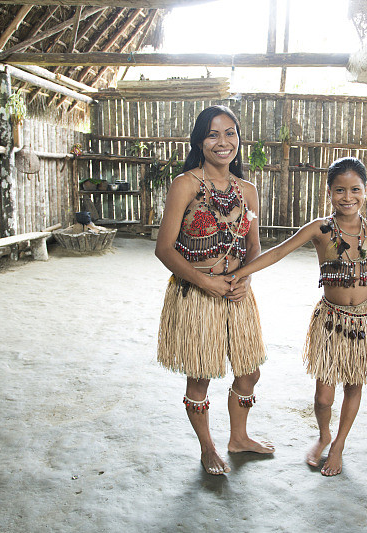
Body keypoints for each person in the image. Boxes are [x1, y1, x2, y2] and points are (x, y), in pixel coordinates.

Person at [227, 156, 367, 476]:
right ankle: (324, 435)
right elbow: (279, 252)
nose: (348, 197)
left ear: (366, 191)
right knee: (323, 398)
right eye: (340, 190)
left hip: (365, 322)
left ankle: (338, 445)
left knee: (354, 386)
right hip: (331, 323)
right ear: (328, 192)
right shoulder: (321, 229)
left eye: (355, 189)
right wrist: (240, 273)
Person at [155, 105, 274, 475]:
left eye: (230, 133)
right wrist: (206, 282)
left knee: (249, 373)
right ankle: (207, 448)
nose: (223, 142)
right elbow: (164, 249)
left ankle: (238, 438)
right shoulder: (185, 185)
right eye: (213, 134)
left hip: (237, 295)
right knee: (200, 377)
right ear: (200, 141)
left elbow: (254, 246)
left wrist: (247, 278)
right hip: (196, 294)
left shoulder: (248, 191)